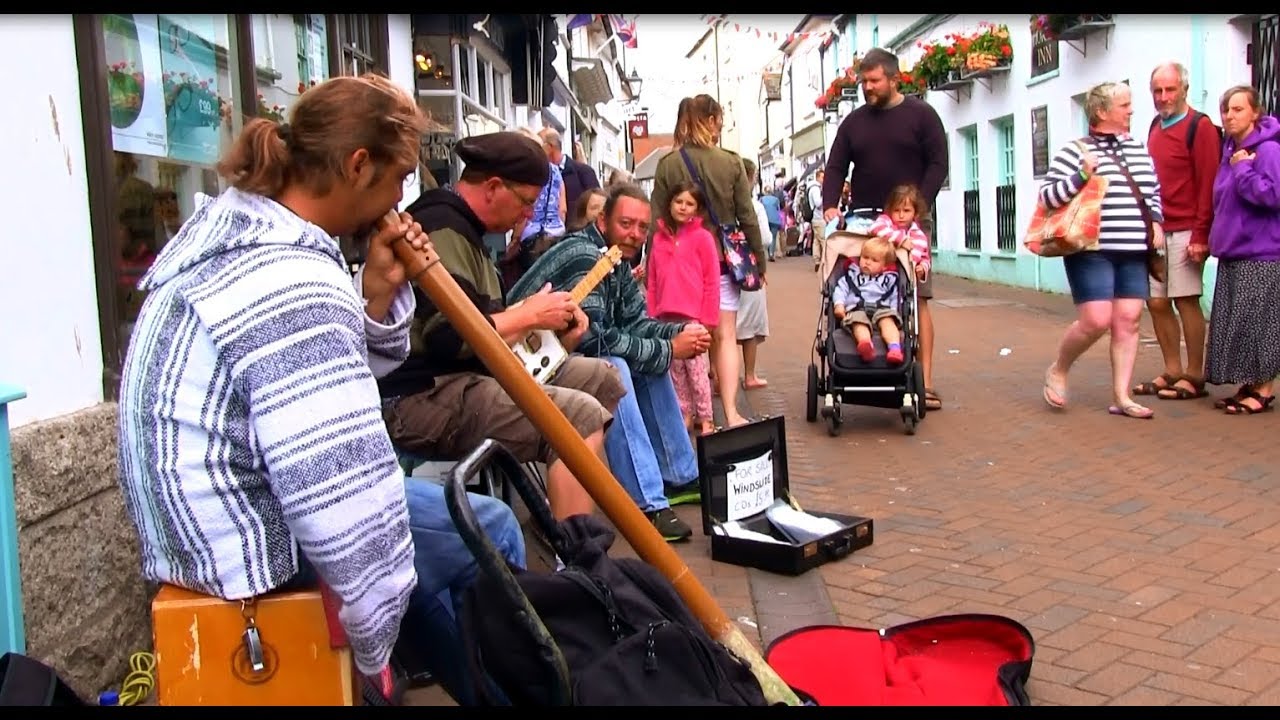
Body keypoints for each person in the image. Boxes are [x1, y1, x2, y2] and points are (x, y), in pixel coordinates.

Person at [115, 74, 524, 705]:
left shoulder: (236, 233)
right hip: (247, 549)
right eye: (398, 178)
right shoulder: (292, 279)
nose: (402, 199)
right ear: (358, 165)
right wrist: (369, 648)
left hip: (205, 526)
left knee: (404, 561)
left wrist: (379, 295)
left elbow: (312, 387)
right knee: (481, 530)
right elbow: (341, 502)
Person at [378, 131, 627, 521]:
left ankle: (562, 508)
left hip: (462, 380)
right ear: (493, 187)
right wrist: (530, 315)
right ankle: (576, 566)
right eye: (527, 202)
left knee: (603, 379)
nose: (528, 215)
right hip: (422, 395)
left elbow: (488, 328)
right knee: (580, 417)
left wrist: (556, 338)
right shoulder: (443, 227)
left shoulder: (470, 232)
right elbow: (449, 339)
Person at [509, 184, 713, 542]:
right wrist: (669, 350)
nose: (635, 234)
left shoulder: (615, 257)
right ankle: (645, 504)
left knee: (642, 362)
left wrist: (678, 332)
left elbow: (635, 323)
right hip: (520, 364)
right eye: (626, 223)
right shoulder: (588, 256)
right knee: (614, 364)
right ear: (603, 220)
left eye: (642, 227)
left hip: (553, 356)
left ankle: (679, 474)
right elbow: (595, 339)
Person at [821, 47, 947, 411]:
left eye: (874, 81)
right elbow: (835, 166)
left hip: (908, 223)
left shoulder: (922, 115)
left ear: (894, 78)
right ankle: (863, 361)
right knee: (858, 287)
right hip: (863, 223)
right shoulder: (854, 122)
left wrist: (916, 207)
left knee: (916, 296)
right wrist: (831, 204)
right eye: (864, 81)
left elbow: (938, 163)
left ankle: (926, 379)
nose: (867, 87)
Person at [1038, 81, 1166, 420]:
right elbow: (1048, 198)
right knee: (1096, 320)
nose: (1131, 111)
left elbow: (1152, 192)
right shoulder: (1074, 150)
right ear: (1101, 111)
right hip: (1090, 249)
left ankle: (1122, 396)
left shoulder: (1137, 148)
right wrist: (1082, 174)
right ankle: (1060, 368)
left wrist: (1156, 222)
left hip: (1133, 249)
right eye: (1124, 105)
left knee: (1129, 320)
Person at [652, 94, 765, 428]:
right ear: (712, 120)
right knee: (726, 334)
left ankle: (687, 412)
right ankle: (729, 412)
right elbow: (747, 216)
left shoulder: (668, 164)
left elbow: (656, 219)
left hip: (677, 265)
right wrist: (759, 262)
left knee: (683, 336)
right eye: (720, 118)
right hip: (721, 260)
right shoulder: (730, 162)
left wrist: (650, 267)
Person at [1136, 61, 1221, 402]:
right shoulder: (1156, 126)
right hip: (1158, 228)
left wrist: (1202, 234)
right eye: (1157, 91)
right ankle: (1172, 369)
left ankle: (1195, 373)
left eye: (1170, 89)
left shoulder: (1199, 127)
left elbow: (1208, 183)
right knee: (1156, 302)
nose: (1163, 96)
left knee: (1185, 300)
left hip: (1187, 228)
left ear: (1184, 89)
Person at [1203, 85, 1280, 415]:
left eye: (1237, 109)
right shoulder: (1229, 152)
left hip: (1261, 253)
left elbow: (1272, 196)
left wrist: (1243, 169)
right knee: (1239, 323)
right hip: (1233, 252)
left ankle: (1263, 390)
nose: (1230, 116)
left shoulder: (1268, 152)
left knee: (1260, 323)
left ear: (1254, 113)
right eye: (1226, 110)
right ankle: (1247, 385)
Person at [646, 181, 721, 437]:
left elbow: (712, 281)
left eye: (689, 203)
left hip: (694, 318)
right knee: (676, 372)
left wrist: (709, 318)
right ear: (669, 203)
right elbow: (653, 279)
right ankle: (684, 413)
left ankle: (706, 417)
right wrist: (651, 313)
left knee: (697, 373)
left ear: (697, 209)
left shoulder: (703, 239)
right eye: (679, 201)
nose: (683, 207)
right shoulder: (658, 238)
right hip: (666, 316)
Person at [832, 236, 905, 365]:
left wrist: (895, 312)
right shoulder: (852, 275)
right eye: (865, 257)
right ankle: (865, 344)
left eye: (874, 260)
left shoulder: (889, 280)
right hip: (857, 309)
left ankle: (894, 349)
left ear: (884, 267)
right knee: (858, 323)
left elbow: (895, 297)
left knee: (888, 323)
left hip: (883, 309)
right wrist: (839, 305)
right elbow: (840, 289)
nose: (867, 262)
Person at [740, 158, 773, 389]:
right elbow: (765, 238)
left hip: (723, 268)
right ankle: (749, 375)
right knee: (749, 325)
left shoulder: (718, 207)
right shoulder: (754, 206)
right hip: (749, 268)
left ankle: (718, 377)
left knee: (722, 327)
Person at [869, 184, 932, 284]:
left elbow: (925, 258)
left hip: (903, 282)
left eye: (906, 211)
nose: (901, 215)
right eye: (896, 210)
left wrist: (922, 268)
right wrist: (901, 240)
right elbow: (875, 228)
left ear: (915, 213)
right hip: (878, 276)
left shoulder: (919, 236)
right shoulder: (886, 222)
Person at [540, 126, 602, 209]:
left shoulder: (584, 172)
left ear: (549, 147)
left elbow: (598, 206)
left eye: (539, 146)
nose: (537, 150)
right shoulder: (542, 174)